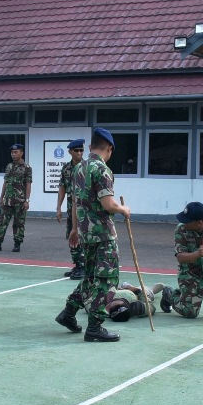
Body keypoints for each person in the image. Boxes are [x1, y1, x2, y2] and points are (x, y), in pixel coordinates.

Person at [58, 127, 131, 342]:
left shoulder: (79, 169)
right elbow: (108, 204)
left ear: (90, 147)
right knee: (106, 281)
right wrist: (123, 209)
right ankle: (95, 327)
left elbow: (75, 202)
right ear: (109, 148)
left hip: (86, 233)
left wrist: (74, 229)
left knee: (89, 278)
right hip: (103, 235)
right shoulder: (102, 170)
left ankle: (68, 312)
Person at [0, 143, 32, 252]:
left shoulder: (27, 168)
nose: (13, 154)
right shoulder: (9, 166)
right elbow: (5, 183)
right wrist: (1, 198)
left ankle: (17, 244)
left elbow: (28, 184)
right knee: (2, 222)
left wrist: (27, 200)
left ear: (21, 153)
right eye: (12, 152)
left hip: (20, 200)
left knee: (19, 223)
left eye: (16, 152)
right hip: (7, 200)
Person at [55, 139, 86, 279]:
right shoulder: (66, 168)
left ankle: (85, 266)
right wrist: (58, 207)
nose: (79, 153)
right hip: (70, 208)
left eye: (81, 150)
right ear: (69, 152)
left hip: (85, 208)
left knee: (83, 236)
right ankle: (78, 264)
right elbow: (62, 187)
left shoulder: (87, 167)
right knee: (71, 235)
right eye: (76, 150)